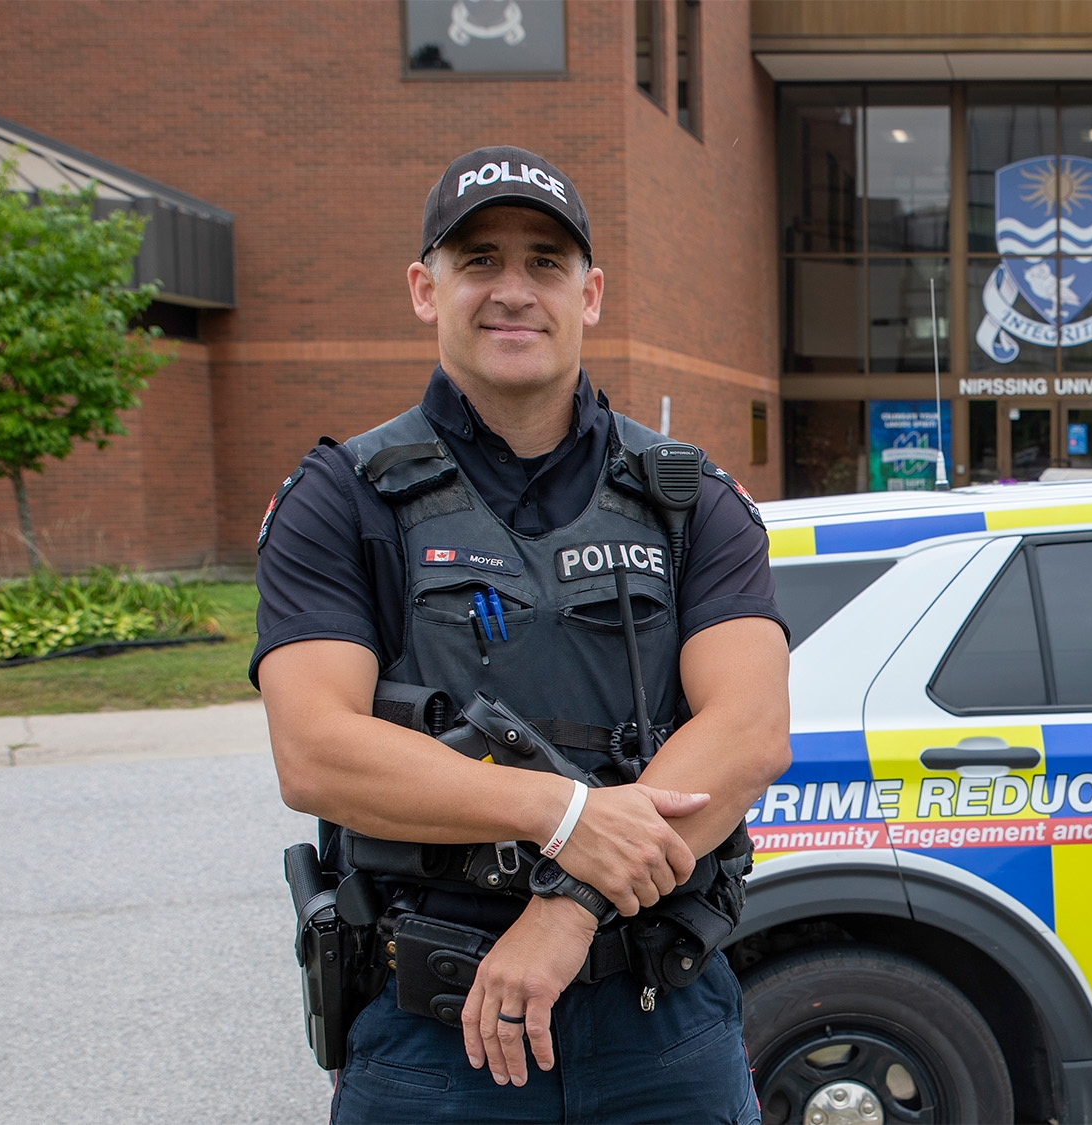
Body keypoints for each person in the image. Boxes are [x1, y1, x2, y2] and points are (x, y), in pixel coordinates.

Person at [252, 145, 791, 1124]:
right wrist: (563, 815)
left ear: (589, 294)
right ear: (425, 288)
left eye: (545, 262)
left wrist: (567, 909)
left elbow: (747, 735)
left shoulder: (689, 501)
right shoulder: (342, 501)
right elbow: (316, 753)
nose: (513, 290)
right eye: (479, 261)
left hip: (659, 1022)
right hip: (439, 1038)